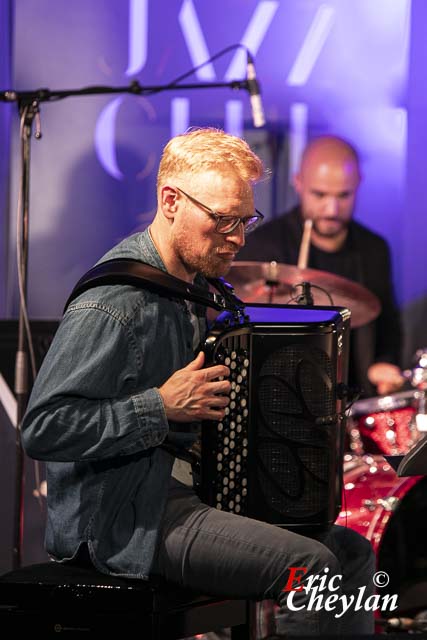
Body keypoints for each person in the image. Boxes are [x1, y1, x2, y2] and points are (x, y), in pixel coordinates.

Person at [21, 128, 375, 637]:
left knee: (352, 552)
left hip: (191, 493)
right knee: (311, 570)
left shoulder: (194, 286)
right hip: (129, 516)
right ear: (171, 201)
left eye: (245, 220)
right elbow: (44, 428)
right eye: (223, 219)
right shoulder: (115, 303)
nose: (238, 236)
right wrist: (159, 407)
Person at [237, 135, 404, 398]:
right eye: (320, 194)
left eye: (344, 195)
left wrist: (384, 361)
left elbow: (388, 323)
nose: (331, 208)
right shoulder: (263, 247)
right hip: (286, 397)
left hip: (355, 398)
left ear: (358, 184)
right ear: (298, 183)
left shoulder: (373, 249)